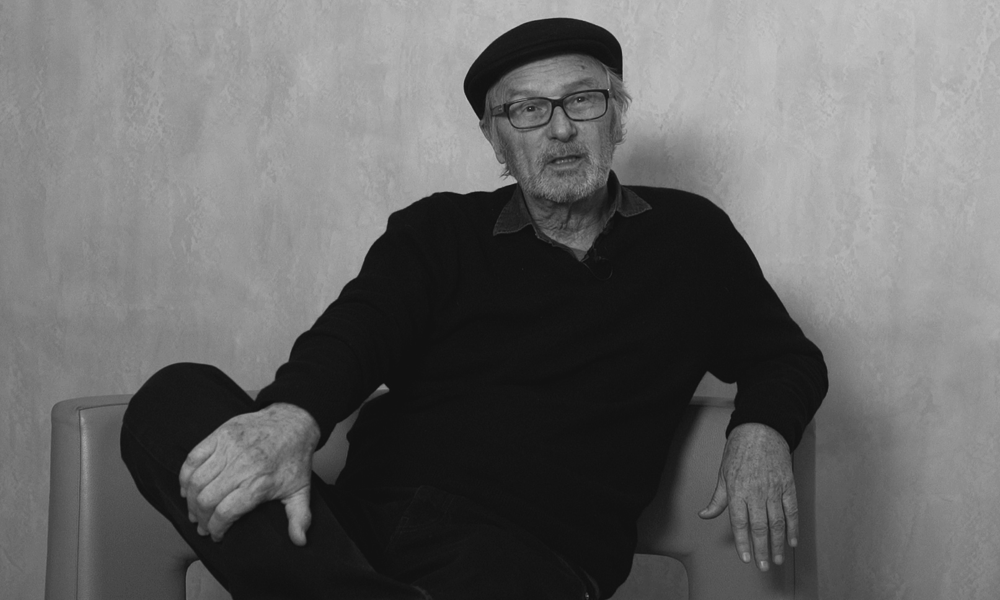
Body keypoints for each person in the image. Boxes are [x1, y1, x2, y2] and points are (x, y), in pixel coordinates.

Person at [121, 17, 827, 600]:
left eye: (583, 101)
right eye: (527, 110)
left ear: (617, 118)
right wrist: (293, 417)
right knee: (170, 401)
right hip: (359, 533)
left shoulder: (691, 239)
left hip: (530, 561)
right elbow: (356, 334)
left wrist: (761, 427)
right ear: (495, 139)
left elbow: (786, 357)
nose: (560, 129)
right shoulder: (438, 231)